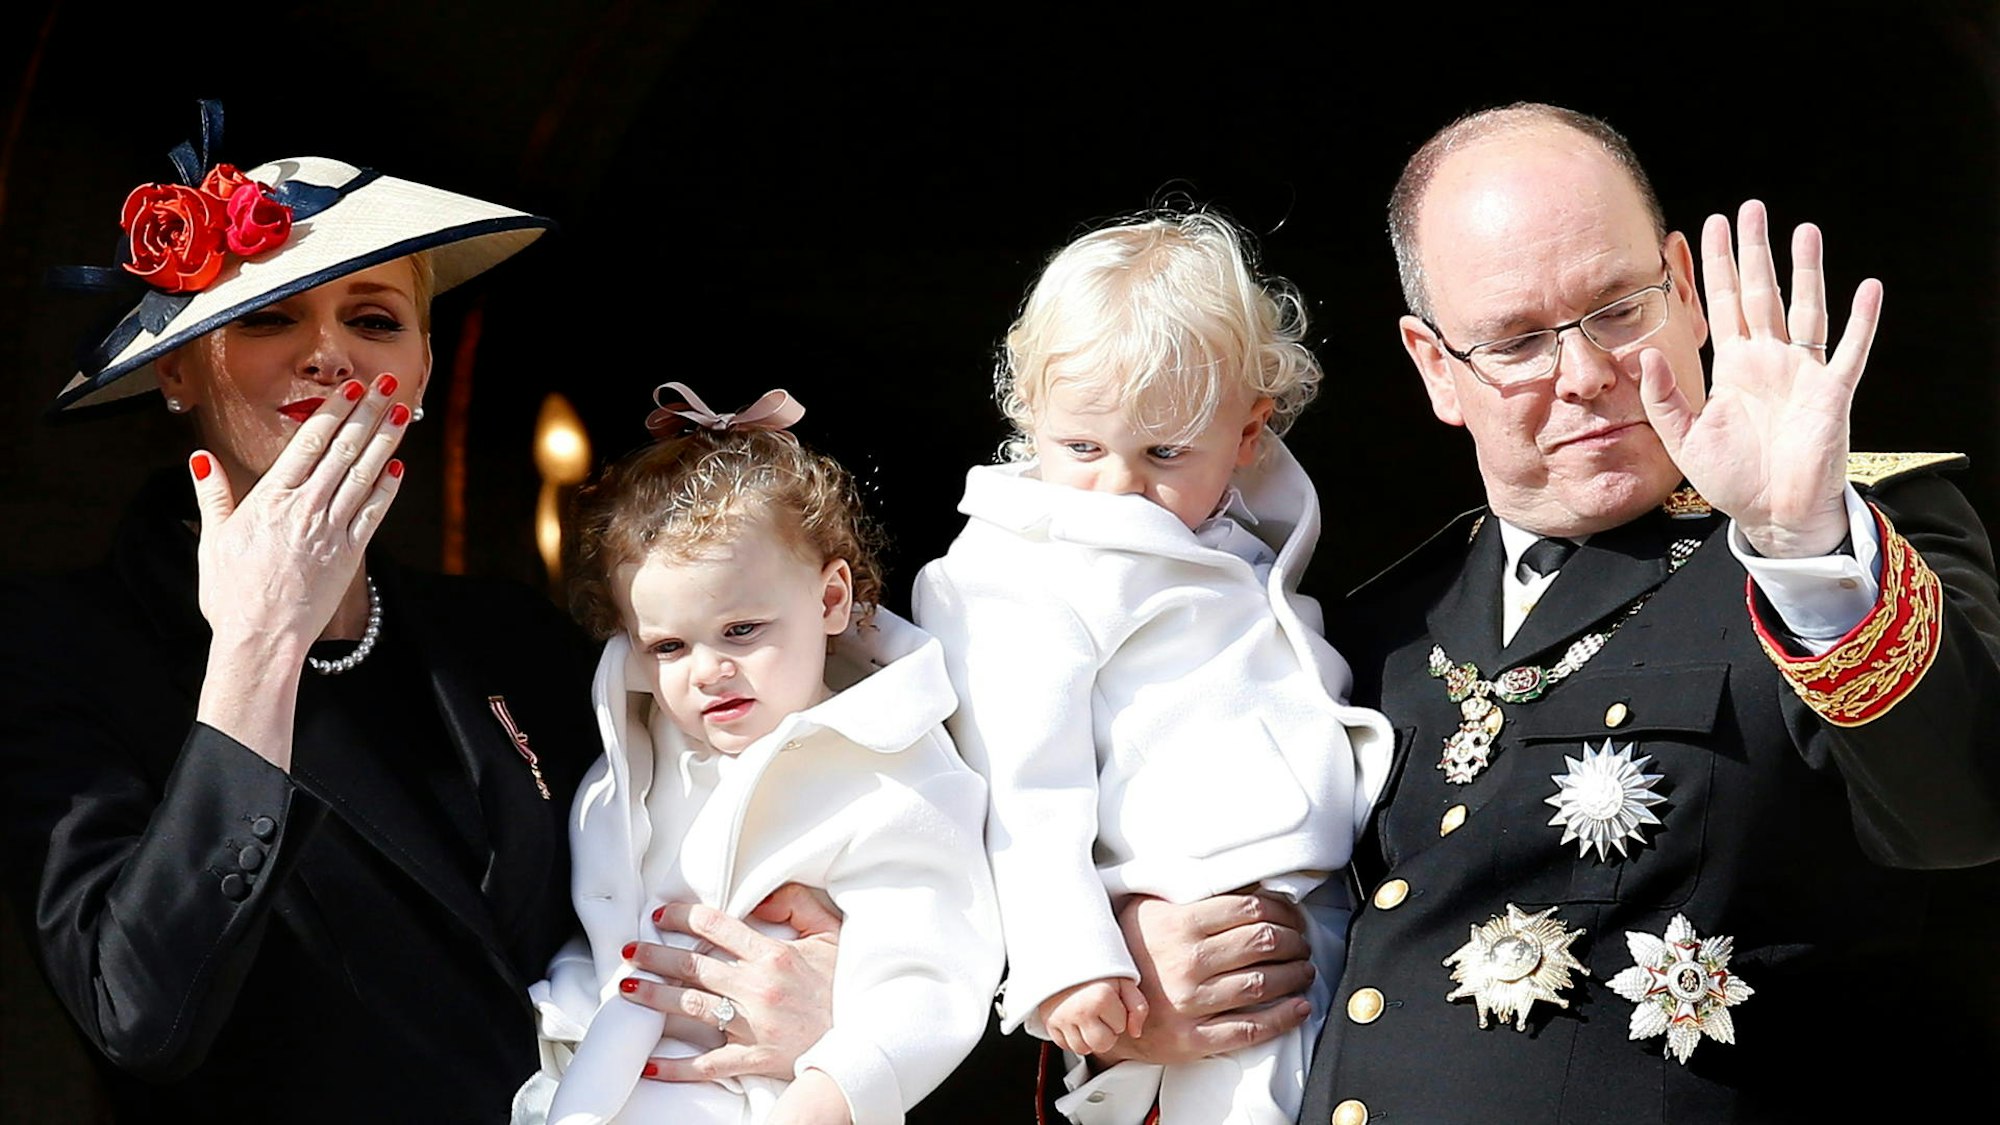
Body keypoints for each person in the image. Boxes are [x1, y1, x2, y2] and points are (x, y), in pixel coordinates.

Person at [0, 109, 841, 1121]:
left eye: (373, 320)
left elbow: (734, 851)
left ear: (424, 364)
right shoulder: (59, 645)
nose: (329, 355)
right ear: (175, 368)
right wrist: (258, 648)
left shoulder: (509, 636)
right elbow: (138, 1012)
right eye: (268, 318)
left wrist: (832, 992)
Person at [1285, 103, 2000, 1122]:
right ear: (1436, 365)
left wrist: (1800, 544)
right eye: (1517, 341)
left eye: (1618, 310)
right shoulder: (1372, 629)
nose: (1584, 376)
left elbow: (1962, 808)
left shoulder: (1842, 546)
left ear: (1684, 288)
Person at [915, 212, 1394, 1123]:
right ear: (1031, 413)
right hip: (1176, 933)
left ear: (1248, 433)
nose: (1119, 485)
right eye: (1082, 448)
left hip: (1314, 914)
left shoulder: (1240, 534)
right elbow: (1021, 785)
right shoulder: (1019, 569)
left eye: (1165, 453)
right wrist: (1066, 958)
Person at [516, 383, 1001, 1125]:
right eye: (669, 646)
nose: (708, 670)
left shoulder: (892, 770)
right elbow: (607, 925)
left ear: (831, 600)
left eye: (741, 630)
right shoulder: (638, 754)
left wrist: (822, 1101)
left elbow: (928, 979)